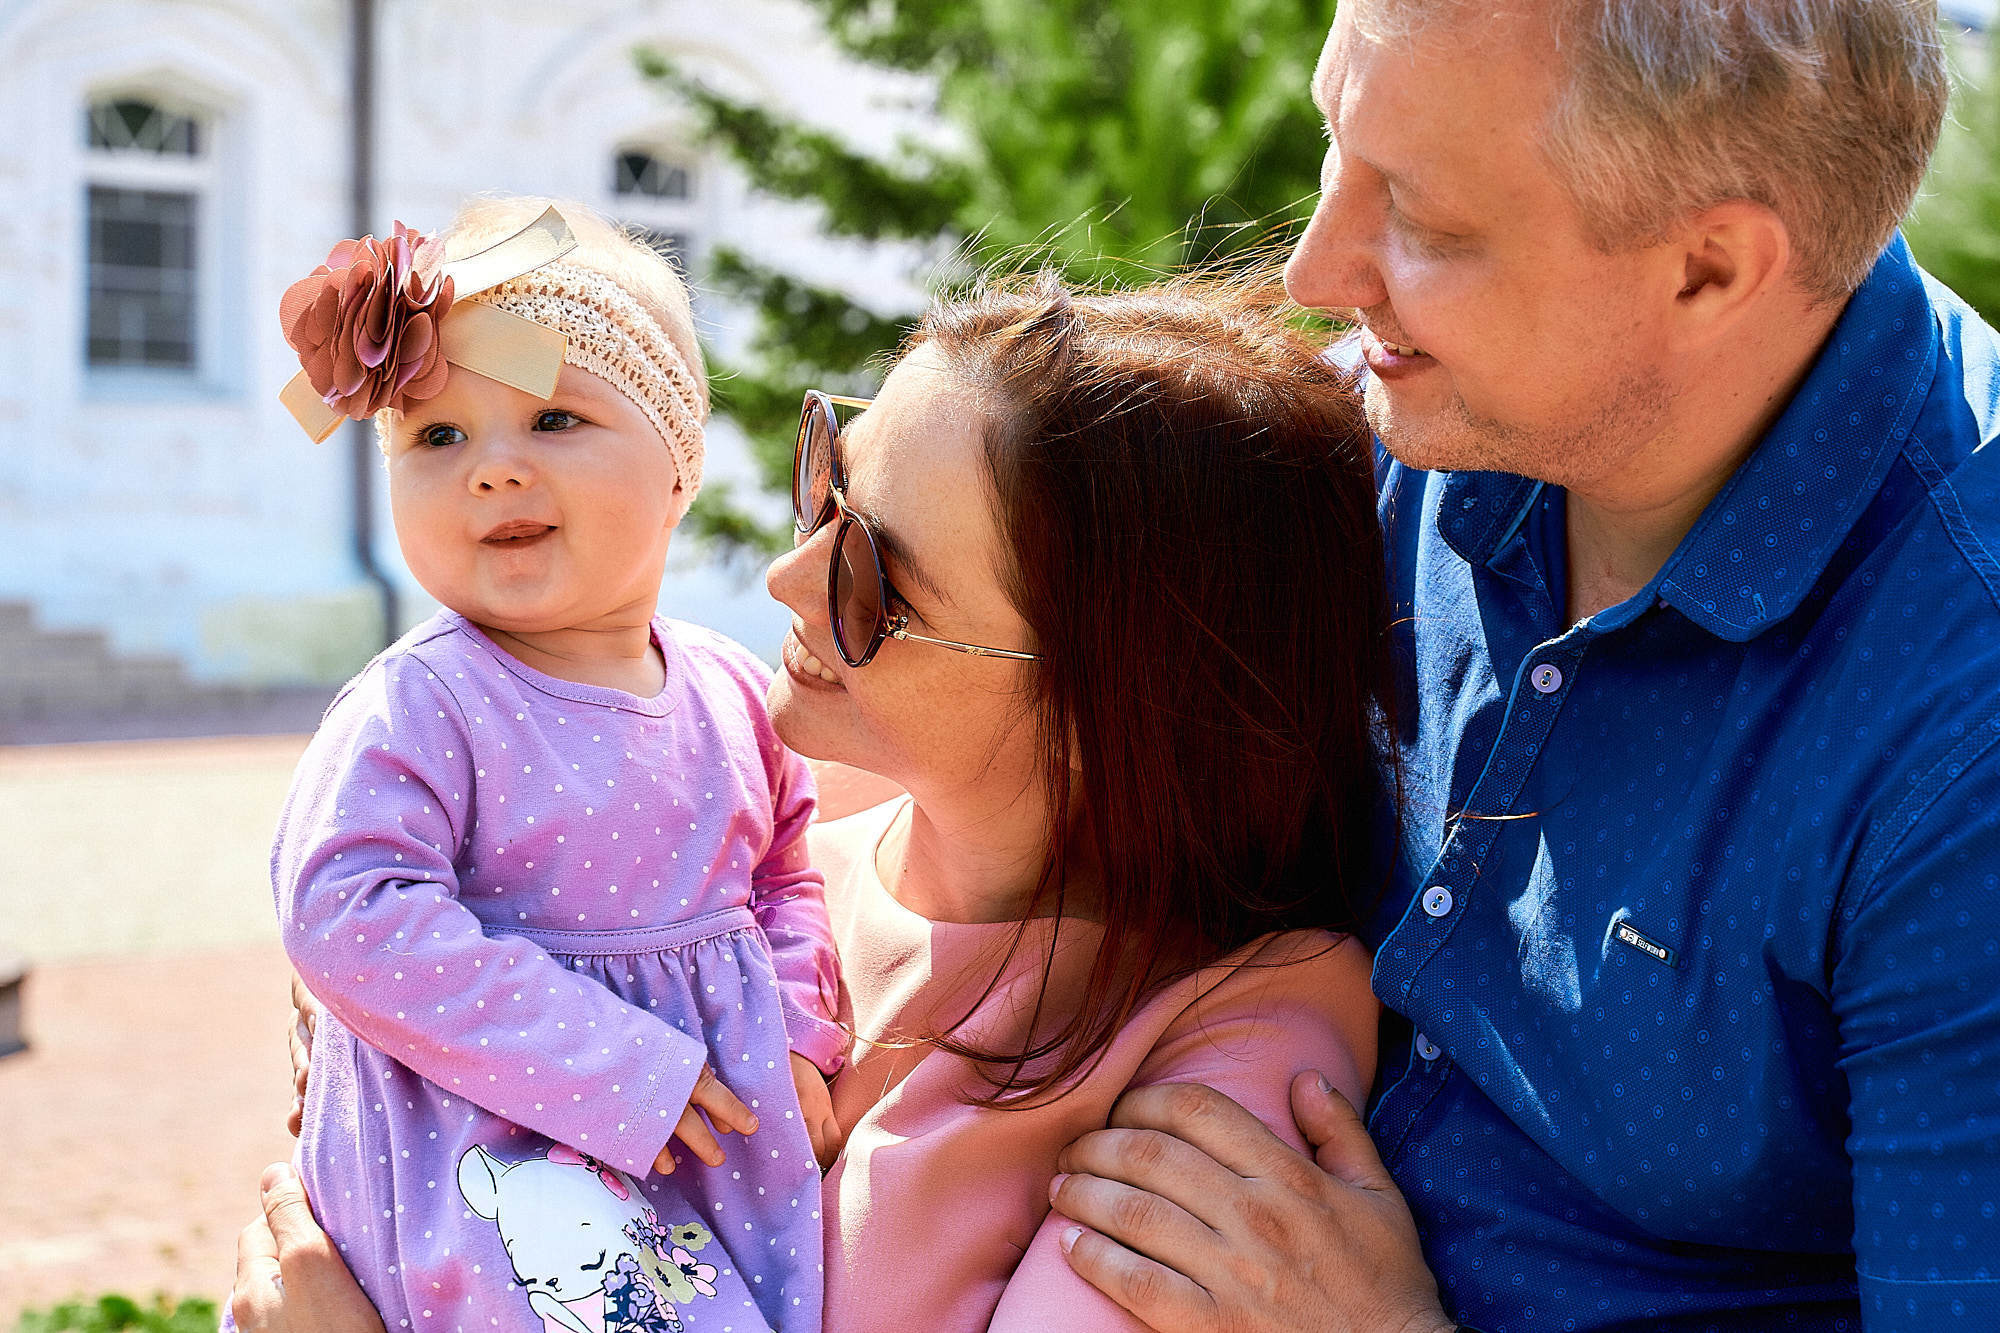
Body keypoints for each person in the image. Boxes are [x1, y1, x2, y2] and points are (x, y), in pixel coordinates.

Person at [1048, 1, 2000, 1330]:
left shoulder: (1965, 735)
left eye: (1425, 221)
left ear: (1710, 271)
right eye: (1340, 142)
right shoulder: (1415, 407)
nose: (1319, 273)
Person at [229, 271, 1393, 1331]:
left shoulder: (1234, 1027)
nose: (786, 575)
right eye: (823, 481)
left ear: (1112, 705)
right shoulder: (721, 850)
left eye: (871, 574)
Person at [253, 196, 843, 1333]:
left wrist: (801, 1032)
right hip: (497, 1157)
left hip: (717, 1134)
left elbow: (786, 870)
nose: (492, 471)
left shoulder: (730, 691)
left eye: (555, 420)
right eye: (438, 437)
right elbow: (347, 912)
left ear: (679, 466)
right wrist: (609, 1062)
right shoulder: (425, 701)